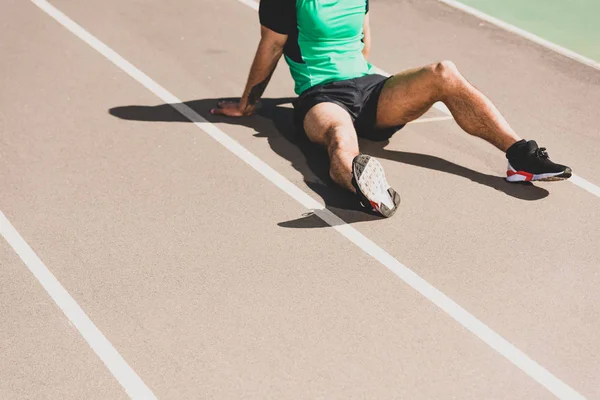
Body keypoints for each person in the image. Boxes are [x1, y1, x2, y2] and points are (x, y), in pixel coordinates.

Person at [211, 0, 572, 217]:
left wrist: (370, 92)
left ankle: (519, 156)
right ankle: (366, 188)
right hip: (320, 95)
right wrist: (248, 105)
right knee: (340, 133)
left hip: (369, 88)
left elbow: (365, 42)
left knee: (443, 72)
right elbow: (270, 48)